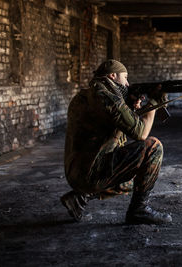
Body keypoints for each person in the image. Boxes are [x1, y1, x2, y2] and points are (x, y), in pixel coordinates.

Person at [61, 59, 172, 224]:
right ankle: (139, 210)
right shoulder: (104, 95)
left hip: (78, 171)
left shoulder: (87, 94)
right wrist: (155, 102)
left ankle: (80, 196)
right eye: (125, 77)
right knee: (153, 147)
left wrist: (130, 108)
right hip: (90, 172)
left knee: (139, 179)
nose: (127, 84)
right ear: (113, 75)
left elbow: (116, 123)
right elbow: (141, 133)